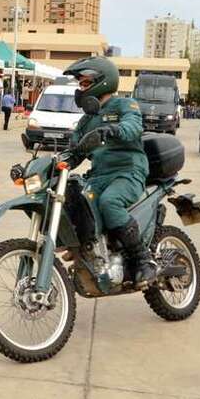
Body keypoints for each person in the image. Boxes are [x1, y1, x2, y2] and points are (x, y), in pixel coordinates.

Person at [64, 56, 156, 287]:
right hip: (99, 176)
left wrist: (113, 130)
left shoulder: (125, 105)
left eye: (85, 83)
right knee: (76, 205)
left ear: (102, 81)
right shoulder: (86, 121)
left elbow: (133, 126)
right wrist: (54, 164)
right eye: (80, 84)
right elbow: (74, 152)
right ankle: (91, 251)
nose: (81, 89)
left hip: (128, 171)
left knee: (109, 203)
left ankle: (143, 260)